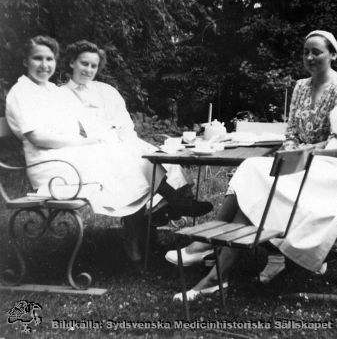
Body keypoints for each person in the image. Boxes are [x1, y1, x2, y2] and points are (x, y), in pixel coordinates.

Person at [168, 22, 337, 301]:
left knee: (262, 176)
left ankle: (216, 270)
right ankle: (217, 271)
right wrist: (311, 150)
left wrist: (314, 154)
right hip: (333, 161)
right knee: (255, 170)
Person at [5, 36, 212, 263]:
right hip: (51, 166)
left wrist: (94, 139)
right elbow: (37, 137)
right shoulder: (21, 92)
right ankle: (169, 203)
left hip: (68, 154)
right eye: (38, 58)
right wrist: (85, 142)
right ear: (25, 60)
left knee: (131, 157)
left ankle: (158, 214)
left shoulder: (50, 90)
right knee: (127, 160)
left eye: (49, 59)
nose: (44, 64)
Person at [165, 30, 337, 273]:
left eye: (316, 52)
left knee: (255, 179)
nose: (310, 57)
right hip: (292, 158)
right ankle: (216, 245)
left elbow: (334, 138)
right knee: (251, 173)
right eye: (305, 52)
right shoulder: (300, 86)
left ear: (333, 54)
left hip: (321, 165)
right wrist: (290, 154)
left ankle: (211, 246)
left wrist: (302, 155)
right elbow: (292, 130)